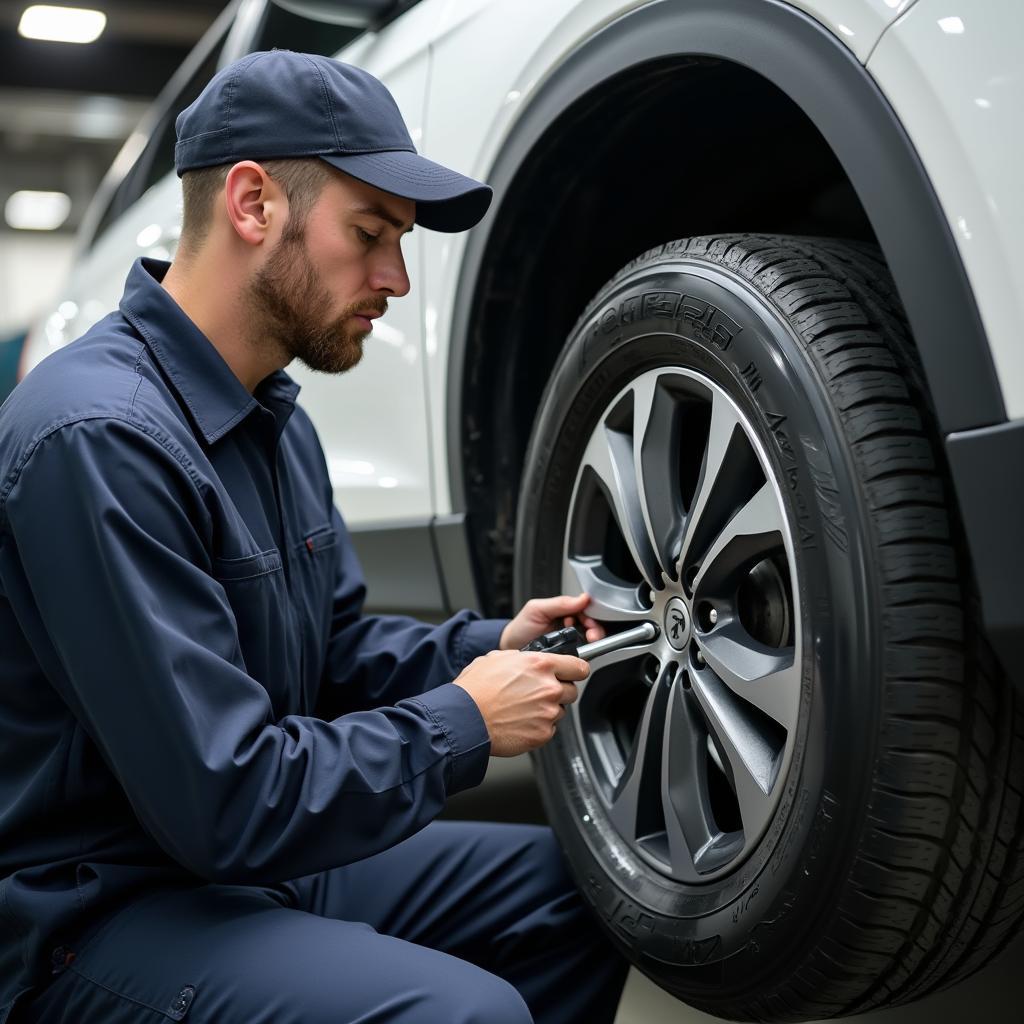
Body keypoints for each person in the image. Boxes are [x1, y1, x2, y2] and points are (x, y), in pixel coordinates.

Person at [0, 51, 629, 1023]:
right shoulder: (100, 439)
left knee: (581, 895)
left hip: (238, 869)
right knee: (464, 1014)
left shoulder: (274, 422)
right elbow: (227, 798)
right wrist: (464, 718)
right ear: (253, 204)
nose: (398, 279)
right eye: (371, 233)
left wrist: (484, 648)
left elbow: (331, 656)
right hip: (101, 910)